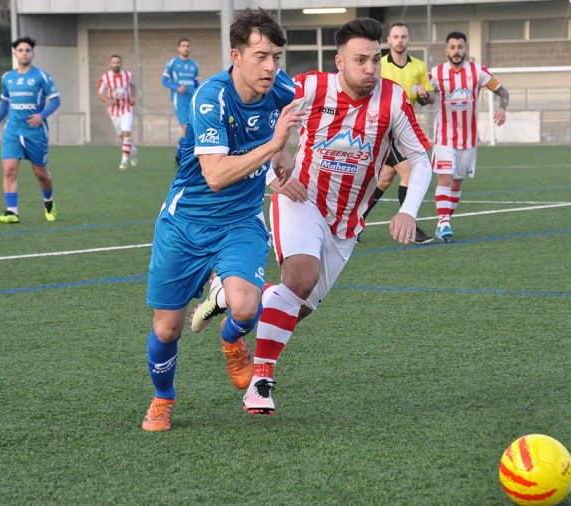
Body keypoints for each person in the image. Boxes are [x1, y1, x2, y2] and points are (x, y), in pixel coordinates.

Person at [192, 18, 432, 416]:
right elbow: (258, 129)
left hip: (346, 223)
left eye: (375, 60)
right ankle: (261, 383)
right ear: (339, 62)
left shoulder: (393, 100)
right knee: (299, 278)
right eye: (360, 60)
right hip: (300, 198)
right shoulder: (308, 88)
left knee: (295, 307)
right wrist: (273, 177)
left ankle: (228, 295)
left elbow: (420, 159)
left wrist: (407, 210)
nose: (370, 69)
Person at [141, 8, 306, 432]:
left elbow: (288, 119)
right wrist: (274, 147)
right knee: (167, 327)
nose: (270, 66)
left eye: (276, 57)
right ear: (236, 55)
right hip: (186, 223)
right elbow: (214, 175)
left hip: (241, 221)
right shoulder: (209, 98)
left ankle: (232, 341)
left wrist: (284, 152)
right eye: (260, 56)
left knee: (247, 304)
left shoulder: (282, 87)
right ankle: (163, 398)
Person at [428, 31, 509, 241]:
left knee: (456, 184)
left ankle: (442, 222)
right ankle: (445, 224)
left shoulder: (477, 72)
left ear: (466, 49)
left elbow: (503, 92)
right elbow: (427, 99)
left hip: (469, 139)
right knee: (445, 179)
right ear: (446, 50)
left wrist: (502, 109)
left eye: (460, 47)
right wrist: (423, 94)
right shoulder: (436, 73)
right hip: (444, 136)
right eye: (452, 47)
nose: (456, 51)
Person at [359, 21, 434, 244]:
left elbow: (429, 99)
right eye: (395, 36)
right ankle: (410, 226)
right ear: (389, 41)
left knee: (384, 180)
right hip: (382, 131)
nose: (399, 40)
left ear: (408, 40)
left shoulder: (418, 66)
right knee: (410, 172)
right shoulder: (378, 64)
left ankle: (354, 223)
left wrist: (423, 95)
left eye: (403, 36)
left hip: (405, 131)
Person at [0, 36, 61, 224]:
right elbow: (5, 102)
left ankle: (49, 202)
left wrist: (41, 116)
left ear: (33, 53)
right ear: (15, 53)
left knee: (40, 173)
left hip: (35, 131)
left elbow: (55, 100)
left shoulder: (42, 76)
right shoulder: (7, 77)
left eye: (27, 50)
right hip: (12, 129)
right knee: (9, 169)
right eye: (20, 50)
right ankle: (12, 212)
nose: (24, 53)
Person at [97, 54, 138, 170]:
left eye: (118, 62)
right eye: (113, 63)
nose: (116, 65)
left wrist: (133, 97)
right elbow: (100, 93)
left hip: (126, 108)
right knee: (122, 136)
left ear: (121, 63)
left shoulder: (127, 75)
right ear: (110, 64)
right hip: (114, 111)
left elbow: (133, 86)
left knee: (126, 133)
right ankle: (133, 150)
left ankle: (124, 161)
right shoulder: (105, 77)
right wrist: (108, 100)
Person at [162, 39, 200, 165]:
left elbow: (196, 83)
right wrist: (176, 88)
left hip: (192, 100)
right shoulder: (173, 63)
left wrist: (200, 93)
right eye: (183, 46)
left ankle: (179, 154)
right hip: (180, 101)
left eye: (188, 46)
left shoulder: (194, 64)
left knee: (192, 130)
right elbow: (164, 81)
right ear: (179, 48)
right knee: (188, 130)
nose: (186, 48)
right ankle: (186, 160)